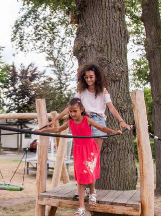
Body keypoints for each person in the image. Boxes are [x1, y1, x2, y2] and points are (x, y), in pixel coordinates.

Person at [45, 64, 131, 199]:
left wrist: (121, 121)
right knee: (80, 158)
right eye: (86, 77)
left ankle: (92, 191)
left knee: (92, 158)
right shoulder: (81, 92)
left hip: (98, 122)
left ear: (97, 77)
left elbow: (111, 107)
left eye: (91, 77)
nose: (89, 80)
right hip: (84, 121)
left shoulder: (103, 91)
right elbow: (69, 108)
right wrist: (55, 119)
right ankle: (80, 188)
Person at [38, 98, 121, 216]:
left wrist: (114, 131)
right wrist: (42, 131)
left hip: (90, 149)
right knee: (81, 178)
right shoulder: (70, 122)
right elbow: (57, 129)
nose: (72, 114)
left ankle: (92, 192)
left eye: (75, 111)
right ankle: (81, 207)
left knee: (90, 171)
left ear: (81, 109)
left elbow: (102, 129)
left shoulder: (87, 120)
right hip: (78, 151)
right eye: (70, 111)